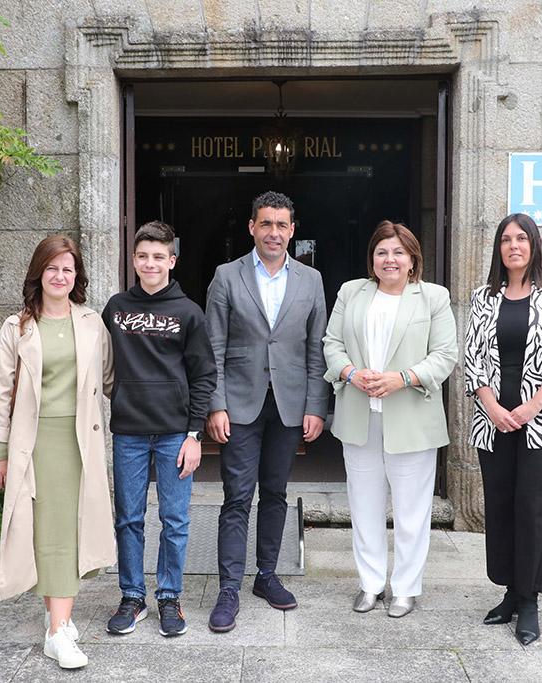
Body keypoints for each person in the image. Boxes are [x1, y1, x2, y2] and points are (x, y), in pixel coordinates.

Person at [0, 235, 115, 669]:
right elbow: (0, 393)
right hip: (35, 442)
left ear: (77, 277)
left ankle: (55, 620)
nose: (60, 276)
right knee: (50, 531)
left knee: (69, 531)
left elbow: (111, 379)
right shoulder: (17, 327)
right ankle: (59, 632)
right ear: (39, 273)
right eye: (53, 268)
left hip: (81, 442)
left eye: (68, 269)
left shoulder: (92, 323)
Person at [205, 190, 330, 632]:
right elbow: (213, 348)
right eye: (266, 223)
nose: (274, 232)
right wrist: (214, 404)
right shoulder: (226, 276)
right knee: (237, 496)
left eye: (282, 225)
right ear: (252, 228)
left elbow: (317, 350)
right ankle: (228, 588)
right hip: (238, 403)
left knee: (275, 492)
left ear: (292, 230)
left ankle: (267, 575)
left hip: (290, 403)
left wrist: (317, 406)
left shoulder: (310, 281)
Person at [322, 220, 458, 618]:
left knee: (412, 510)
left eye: (398, 252)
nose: (390, 259)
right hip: (359, 416)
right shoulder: (352, 292)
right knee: (363, 507)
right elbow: (331, 342)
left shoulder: (432, 297)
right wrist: (349, 373)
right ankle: (370, 584)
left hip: (412, 418)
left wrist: (402, 378)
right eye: (382, 251)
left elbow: (445, 355)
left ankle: (405, 588)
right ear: (373, 259)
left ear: (413, 259)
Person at [463, 213, 542, 646]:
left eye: (522, 238)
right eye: (506, 239)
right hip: (493, 421)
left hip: (541, 422)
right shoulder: (483, 297)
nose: (514, 245)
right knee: (502, 504)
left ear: (534, 245)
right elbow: (473, 356)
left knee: (534, 508)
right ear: (499, 248)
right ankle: (510, 592)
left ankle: (529, 601)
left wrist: (528, 408)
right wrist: (493, 406)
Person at [101, 221, 216, 638]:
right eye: (143, 256)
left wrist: (194, 435)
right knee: (128, 518)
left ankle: (170, 598)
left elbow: (204, 375)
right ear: (134, 260)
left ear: (172, 260)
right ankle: (132, 597)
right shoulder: (115, 308)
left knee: (175, 518)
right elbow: (102, 365)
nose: (151, 263)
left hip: (173, 434)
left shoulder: (189, 312)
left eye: (158, 256)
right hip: (128, 430)